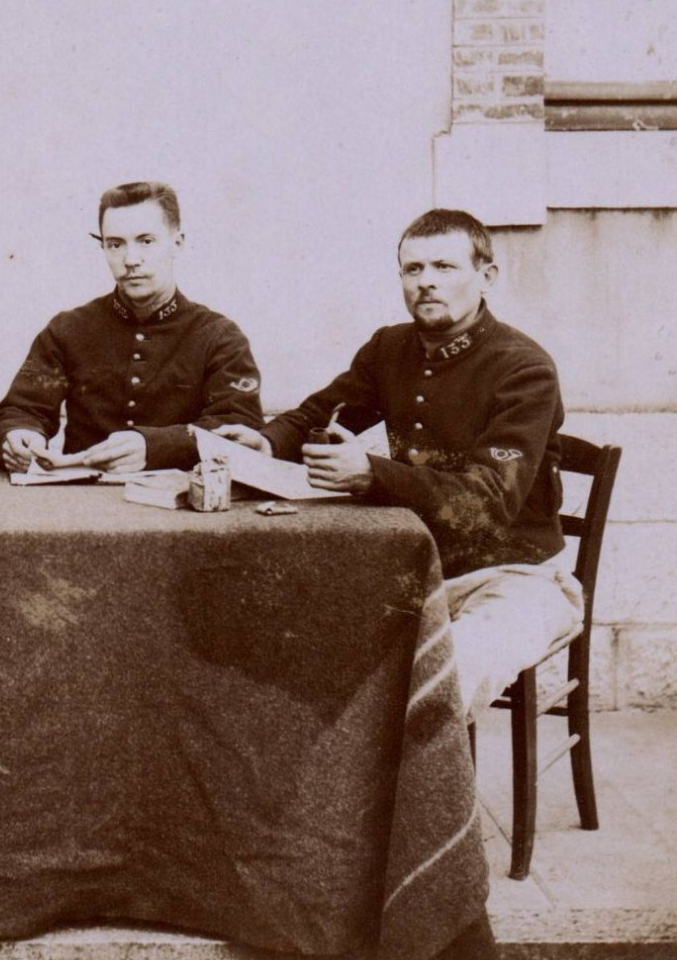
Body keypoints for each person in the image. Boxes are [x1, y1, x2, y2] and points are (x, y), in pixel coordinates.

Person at [223, 208, 580, 717]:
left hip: (514, 579)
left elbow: (488, 502)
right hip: (411, 570)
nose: (426, 282)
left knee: (441, 684)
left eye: (444, 267)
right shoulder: (391, 347)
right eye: (413, 270)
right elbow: (317, 414)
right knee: (287, 647)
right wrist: (266, 442)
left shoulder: (524, 369)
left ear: (487, 277)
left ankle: (425, 798)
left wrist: (372, 474)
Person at [0, 180, 263, 474]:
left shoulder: (219, 337)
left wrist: (157, 447)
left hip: (179, 506)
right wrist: (21, 434)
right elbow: (23, 408)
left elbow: (239, 426)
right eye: (115, 244)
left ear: (177, 243)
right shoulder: (68, 329)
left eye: (146, 241)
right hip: (80, 504)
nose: (130, 260)